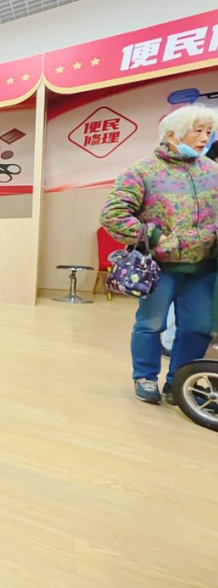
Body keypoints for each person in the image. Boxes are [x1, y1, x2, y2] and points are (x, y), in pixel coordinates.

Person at [100, 105, 218, 404]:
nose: (205, 138)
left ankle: (179, 382)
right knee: (151, 325)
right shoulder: (142, 171)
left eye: (208, 131)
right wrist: (155, 237)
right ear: (172, 135)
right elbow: (113, 215)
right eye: (198, 131)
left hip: (204, 268)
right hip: (158, 267)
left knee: (198, 329)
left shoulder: (213, 171)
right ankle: (145, 376)